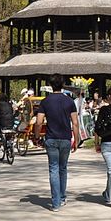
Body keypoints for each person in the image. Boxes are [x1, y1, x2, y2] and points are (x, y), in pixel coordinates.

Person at [35, 74, 81, 211]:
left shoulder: (45, 101)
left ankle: (55, 203)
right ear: (63, 85)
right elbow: (75, 123)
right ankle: (62, 197)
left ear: (50, 85)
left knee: (53, 169)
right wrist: (76, 140)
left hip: (51, 138)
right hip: (65, 138)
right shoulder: (69, 102)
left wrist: (37, 136)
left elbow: (39, 122)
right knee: (63, 168)